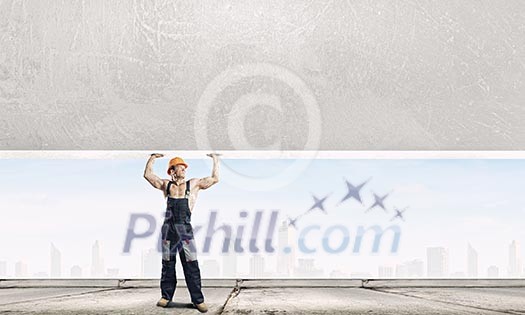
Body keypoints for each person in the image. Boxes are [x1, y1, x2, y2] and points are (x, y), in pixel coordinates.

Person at [143, 153, 220, 312]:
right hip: (168, 230)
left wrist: (215, 159)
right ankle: (166, 296)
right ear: (172, 171)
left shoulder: (193, 184)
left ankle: (198, 300)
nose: (184, 169)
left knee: (191, 264)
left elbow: (215, 178)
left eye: (184, 167)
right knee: (167, 264)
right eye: (180, 167)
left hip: (185, 230)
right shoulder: (166, 186)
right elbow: (147, 175)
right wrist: (153, 157)